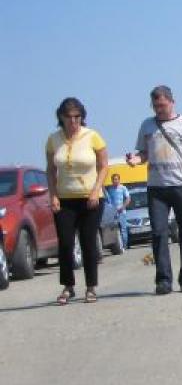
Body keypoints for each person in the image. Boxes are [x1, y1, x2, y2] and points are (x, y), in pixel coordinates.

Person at [126, 85, 182, 295]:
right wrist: (135, 159)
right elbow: (143, 153)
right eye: (155, 106)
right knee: (159, 233)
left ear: (172, 102)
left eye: (162, 105)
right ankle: (163, 280)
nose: (158, 110)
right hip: (156, 188)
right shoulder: (147, 125)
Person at [45, 97, 108, 304]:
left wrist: (95, 191)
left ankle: (91, 287)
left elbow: (104, 166)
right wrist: (53, 195)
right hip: (64, 199)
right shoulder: (53, 140)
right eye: (69, 117)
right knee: (65, 243)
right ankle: (68, 286)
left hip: (91, 199)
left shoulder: (93, 137)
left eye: (77, 117)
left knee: (88, 241)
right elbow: (51, 169)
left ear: (82, 117)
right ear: (61, 118)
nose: (73, 121)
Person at [104, 172, 131, 250]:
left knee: (123, 229)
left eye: (116, 179)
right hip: (113, 213)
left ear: (119, 180)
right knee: (113, 229)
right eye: (113, 179)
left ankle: (125, 246)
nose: (115, 181)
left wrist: (123, 207)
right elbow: (108, 200)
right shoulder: (110, 189)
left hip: (121, 212)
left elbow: (128, 198)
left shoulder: (123, 188)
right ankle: (116, 246)